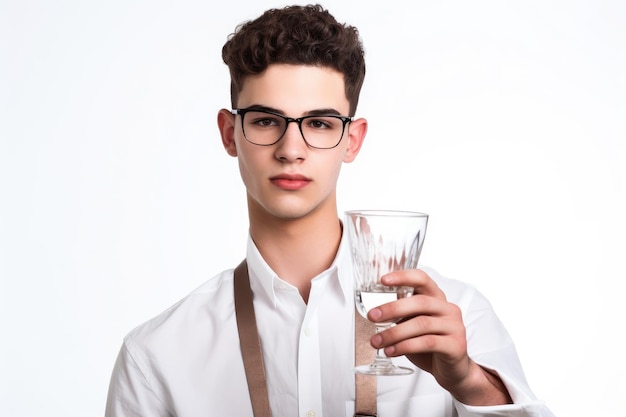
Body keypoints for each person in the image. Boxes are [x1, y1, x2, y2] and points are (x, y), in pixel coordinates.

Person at [105, 4, 554, 416]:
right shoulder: (157, 357)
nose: (291, 149)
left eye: (319, 123)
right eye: (265, 120)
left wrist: (472, 383)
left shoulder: (455, 317)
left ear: (352, 140)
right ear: (229, 133)